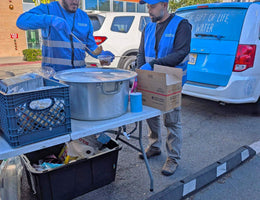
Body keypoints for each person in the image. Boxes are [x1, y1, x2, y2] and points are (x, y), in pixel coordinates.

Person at [137, 0, 191, 176]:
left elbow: (180, 53)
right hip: (150, 78)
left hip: (171, 80)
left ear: (164, 5)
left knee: (171, 120)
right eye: (148, 7)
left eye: (152, 7)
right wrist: (139, 71)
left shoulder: (182, 25)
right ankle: (154, 146)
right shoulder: (148, 28)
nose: (149, 11)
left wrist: (152, 64)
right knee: (150, 115)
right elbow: (141, 53)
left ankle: (173, 158)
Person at [16, 0, 114, 72]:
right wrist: (50, 20)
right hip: (54, 78)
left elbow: (90, 46)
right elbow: (21, 21)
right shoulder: (48, 9)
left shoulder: (84, 17)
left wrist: (102, 55)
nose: (75, 2)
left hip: (79, 76)